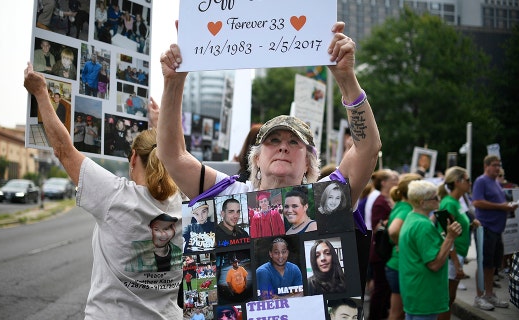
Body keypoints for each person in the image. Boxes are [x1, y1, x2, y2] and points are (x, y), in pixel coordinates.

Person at [157, 20, 380, 286]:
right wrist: (174, 81)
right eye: (273, 140)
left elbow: (368, 149)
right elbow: (172, 155)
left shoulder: (328, 198)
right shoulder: (228, 194)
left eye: (294, 142)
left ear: (309, 164)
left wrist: (346, 79)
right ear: (256, 159)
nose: (283, 146)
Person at [23, 62, 184, 318]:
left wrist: (41, 91)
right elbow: (178, 154)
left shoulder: (114, 196)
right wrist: (160, 124)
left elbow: (63, 149)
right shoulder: (180, 201)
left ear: (132, 159)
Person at [398, 180, 462, 319]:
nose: (439, 200)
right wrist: (450, 237)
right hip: (424, 293)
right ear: (422, 202)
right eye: (435, 197)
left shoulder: (411, 217)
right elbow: (434, 264)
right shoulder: (423, 225)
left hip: (415, 290)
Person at [471, 155, 517, 310]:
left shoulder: (495, 182)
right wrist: (503, 207)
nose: (498, 168)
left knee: (491, 265)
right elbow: (477, 202)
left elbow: (498, 203)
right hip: (485, 228)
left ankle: (489, 295)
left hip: (497, 230)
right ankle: (479, 297)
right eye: (494, 165)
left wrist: (508, 206)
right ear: (486, 166)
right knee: (483, 263)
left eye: (499, 165)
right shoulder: (481, 181)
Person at [436, 166, 476, 319]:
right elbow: (446, 234)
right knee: (446, 299)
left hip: (456, 255)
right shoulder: (449, 203)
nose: (470, 183)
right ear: (457, 182)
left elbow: (456, 226)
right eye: (467, 180)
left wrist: (471, 224)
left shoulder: (456, 202)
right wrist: (457, 263)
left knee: (449, 298)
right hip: (452, 256)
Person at [384, 173, 423, 320]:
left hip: (396, 265)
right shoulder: (407, 209)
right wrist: (400, 244)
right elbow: (393, 230)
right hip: (399, 265)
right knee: (397, 313)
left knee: (398, 312)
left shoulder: (401, 205)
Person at [368, 169, 398, 320]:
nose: (396, 181)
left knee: (384, 289)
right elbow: (377, 225)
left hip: (384, 251)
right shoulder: (380, 200)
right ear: (384, 183)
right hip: (380, 251)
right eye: (393, 179)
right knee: (380, 290)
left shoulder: (386, 199)